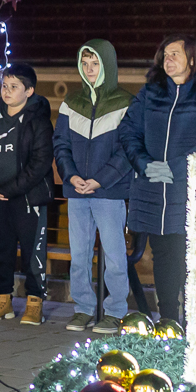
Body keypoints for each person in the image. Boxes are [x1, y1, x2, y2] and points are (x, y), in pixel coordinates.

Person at [122, 34, 196, 325]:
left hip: (190, 193)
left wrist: (177, 168)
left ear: (192, 59)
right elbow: (128, 131)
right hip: (154, 192)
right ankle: (169, 321)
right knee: (164, 257)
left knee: (194, 258)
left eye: (175, 54)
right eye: (164, 55)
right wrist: (144, 164)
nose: (168, 60)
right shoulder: (150, 92)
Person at [54, 40, 134, 332]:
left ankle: (115, 311)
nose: (89, 69)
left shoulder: (125, 102)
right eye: (85, 64)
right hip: (77, 191)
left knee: (113, 255)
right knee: (79, 254)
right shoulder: (71, 103)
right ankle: (83, 308)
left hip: (109, 192)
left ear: (108, 66)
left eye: (95, 64)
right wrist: (71, 176)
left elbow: (128, 150)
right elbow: (60, 144)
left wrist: (101, 179)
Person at [0, 63, 55, 325]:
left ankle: (34, 302)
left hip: (28, 198)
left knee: (33, 252)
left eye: (14, 87)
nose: (6, 91)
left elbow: (40, 163)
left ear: (29, 91)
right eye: (4, 86)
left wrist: (9, 189)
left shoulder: (38, 120)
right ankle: (3, 299)